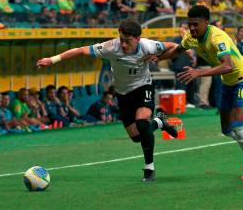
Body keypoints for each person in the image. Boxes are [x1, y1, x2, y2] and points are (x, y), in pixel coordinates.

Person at [37, 19, 178, 182]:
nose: (123, 45)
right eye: (121, 40)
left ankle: (149, 168)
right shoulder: (111, 47)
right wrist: (52, 60)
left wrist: (159, 58)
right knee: (136, 137)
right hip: (123, 94)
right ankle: (160, 122)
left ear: (138, 39)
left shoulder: (149, 46)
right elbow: (81, 50)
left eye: (128, 41)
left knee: (141, 122)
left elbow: (173, 47)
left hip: (143, 87)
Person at [147, 5, 243, 180]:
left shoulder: (218, 37)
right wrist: (159, 58)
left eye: (196, 24)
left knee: (237, 125)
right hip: (228, 83)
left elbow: (228, 65)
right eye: (190, 24)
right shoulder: (190, 37)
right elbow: (178, 50)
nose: (192, 28)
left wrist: (199, 72)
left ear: (207, 22)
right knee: (226, 130)